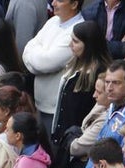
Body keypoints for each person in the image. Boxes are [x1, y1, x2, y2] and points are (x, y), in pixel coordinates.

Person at [22, 0, 84, 135]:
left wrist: (36, 54)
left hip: (55, 107)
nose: (54, 3)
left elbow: (45, 63)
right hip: (39, 102)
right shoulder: (53, 21)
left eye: (60, 0)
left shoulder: (77, 30)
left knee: (52, 150)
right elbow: (28, 48)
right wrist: (39, 55)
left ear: (74, 4)